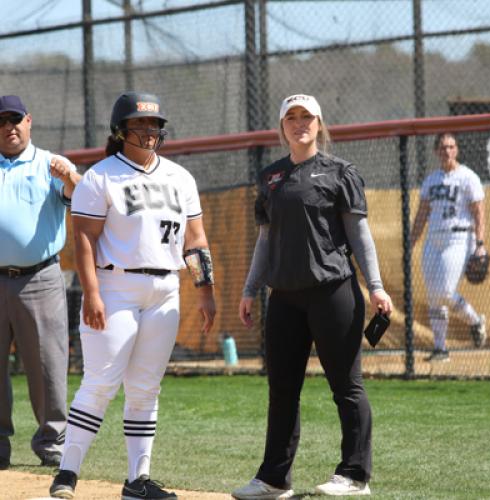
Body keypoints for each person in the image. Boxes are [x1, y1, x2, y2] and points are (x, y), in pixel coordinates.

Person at [49, 91, 216, 500]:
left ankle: (137, 480)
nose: (149, 131)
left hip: (165, 290)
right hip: (114, 286)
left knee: (145, 388)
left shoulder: (180, 177)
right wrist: (91, 294)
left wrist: (205, 290)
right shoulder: (100, 176)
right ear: (121, 130)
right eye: (140, 124)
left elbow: (195, 241)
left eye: (155, 125)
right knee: (101, 382)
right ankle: (67, 473)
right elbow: (84, 239)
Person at [232, 94, 393, 499]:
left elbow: (359, 236)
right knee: (282, 390)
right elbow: (265, 241)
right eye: (292, 117)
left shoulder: (341, 172)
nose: (300, 122)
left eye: (307, 116)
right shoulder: (270, 177)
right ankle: (273, 479)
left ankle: (355, 475)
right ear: (281, 127)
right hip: (284, 298)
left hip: (333, 292)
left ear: (319, 124)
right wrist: (250, 289)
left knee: (346, 386)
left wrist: (375, 286)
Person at [0, 95, 80, 470]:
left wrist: (69, 178)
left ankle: (52, 441)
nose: (8, 126)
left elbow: (80, 196)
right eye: (1, 121)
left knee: (47, 363)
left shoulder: (50, 164)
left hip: (40, 277)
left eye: (15, 119)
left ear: (29, 121)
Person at [410, 132, 487, 362]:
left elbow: (479, 213)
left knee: (444, 291)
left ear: (457, 150)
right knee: (434, 296)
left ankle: (475, 320)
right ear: (436, 151)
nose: (447, 151)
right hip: (433, 240)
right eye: (443, 147)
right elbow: (422, 214)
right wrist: (411, 242)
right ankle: (440, 348)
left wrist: (480, 244)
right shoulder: (431, 179)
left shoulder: (468, 177)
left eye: (452, 146)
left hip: (459, 239)